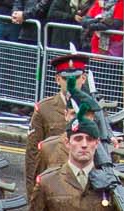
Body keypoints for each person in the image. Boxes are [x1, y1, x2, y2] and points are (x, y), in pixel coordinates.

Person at [26, 48, 90, 189]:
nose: (71, 83)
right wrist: (33, 194)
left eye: (76, 78)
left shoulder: (95, 109)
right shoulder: (44, 109)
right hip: (54, 183)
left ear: (84, 78)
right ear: (58, 79)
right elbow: (32, 156)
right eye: (66, 78)